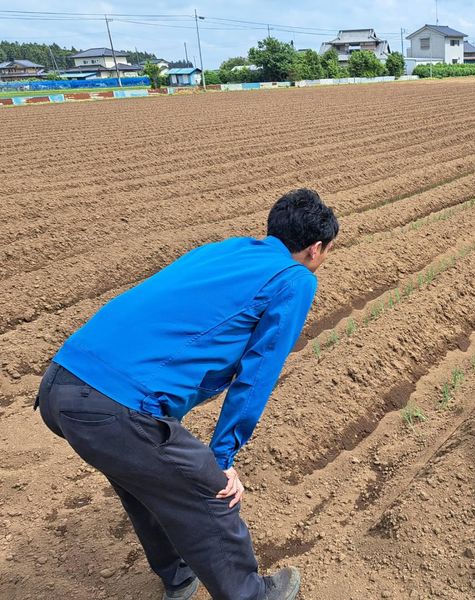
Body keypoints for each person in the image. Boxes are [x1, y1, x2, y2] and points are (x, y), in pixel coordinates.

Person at [35, 188, 338, 600]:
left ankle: (179, 578)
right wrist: (222, 459)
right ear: (316, 248)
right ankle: (252, 595)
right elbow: (259, 372)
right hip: (114, 403)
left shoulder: (226, 250)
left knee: (144, 481)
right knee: (209, 490)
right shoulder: (294, 278)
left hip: (61, 383)